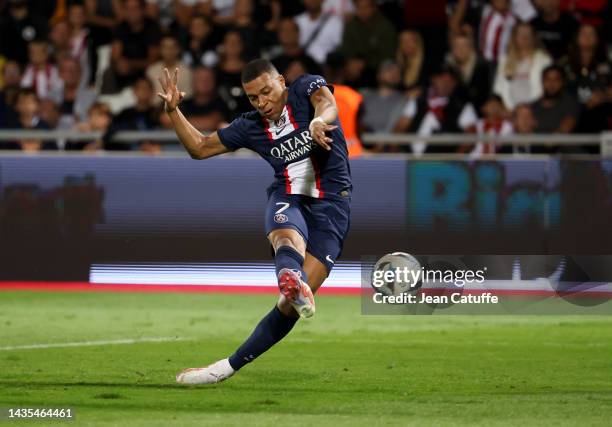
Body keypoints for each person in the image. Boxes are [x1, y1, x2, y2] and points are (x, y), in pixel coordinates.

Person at [158, 59, 352, 384]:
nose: (262, 102)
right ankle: (290, 275)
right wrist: (174, 112)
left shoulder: (305, 89)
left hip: (332, 207)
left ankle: (227, 365)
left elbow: (327, 103)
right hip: (288, 195)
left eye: (266, 92)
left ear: (280, 81)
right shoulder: (251, 126)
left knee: (288, 309)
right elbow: (200, 148)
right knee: (284, 237)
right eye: (253, 98)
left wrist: (319, 122)